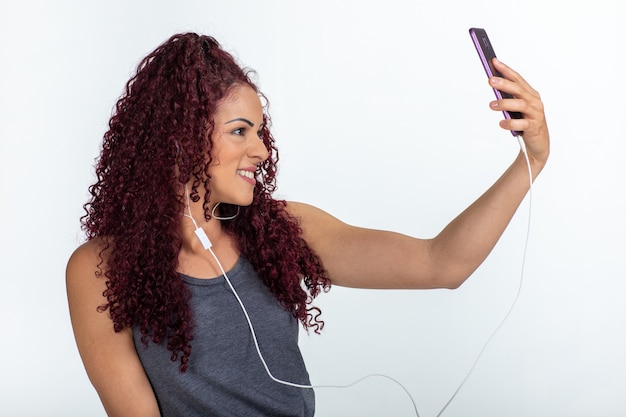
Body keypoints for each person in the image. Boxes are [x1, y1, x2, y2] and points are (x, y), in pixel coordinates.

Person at [66, 32, 549, 417]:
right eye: (239, 131)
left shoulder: (281, 228)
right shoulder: (99, 269)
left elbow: (441, 263)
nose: (260, 150)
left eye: (259, 131)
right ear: (179, 138)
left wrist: (533, 158)